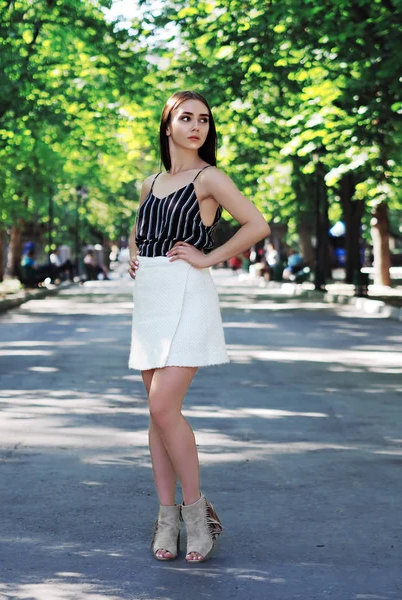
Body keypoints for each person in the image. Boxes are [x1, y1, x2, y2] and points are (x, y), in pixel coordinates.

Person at [127, 90, 270, 564]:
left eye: (204, 119)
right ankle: (165, 517)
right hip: (150, 298)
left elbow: (256, 224)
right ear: (167, 124)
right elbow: (140, 228)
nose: (197, 126)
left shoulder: (209, 178)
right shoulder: (150, 182)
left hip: (189, 295)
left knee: (164, 405)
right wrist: (135, 254)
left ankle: (195, 513)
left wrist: (208, 257)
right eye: (186, 118)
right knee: (155, 411)